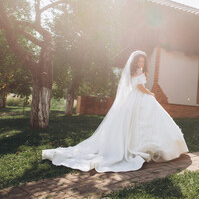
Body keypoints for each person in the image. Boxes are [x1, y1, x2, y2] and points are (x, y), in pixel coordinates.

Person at [42, 50, 188, 172]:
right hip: (139, 97)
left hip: (138, 97)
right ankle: (147, 147)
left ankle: (151, 147)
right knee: (141, 120)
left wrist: (147, 92)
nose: (141, 64)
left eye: (143, 61)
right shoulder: (137, 71)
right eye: (139, 61)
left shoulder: (137, 71)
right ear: (135, 62)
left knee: (147, 120)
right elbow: (139, 86)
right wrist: (150, 93)